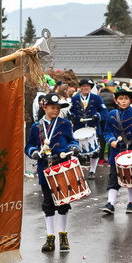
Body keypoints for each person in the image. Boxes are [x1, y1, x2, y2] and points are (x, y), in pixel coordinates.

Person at [26, 93, 79, 253]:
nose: (55, 110)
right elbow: (29, 146)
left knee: (63, 203)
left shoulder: (65, 124)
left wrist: (74, 147)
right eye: (52, 107)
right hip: (45, 169)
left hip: (62, 168)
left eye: (57, 108)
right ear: (45, 107)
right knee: (48, 203)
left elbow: (72, 140)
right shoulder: (36, 127)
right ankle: (50, 237)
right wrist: (34, 152)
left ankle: (63, 235)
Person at [101, 86, 132, 215]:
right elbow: (107, 131)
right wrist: (111, 141)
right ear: (116, 101)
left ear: (130, 100)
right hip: (117, 151)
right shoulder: (111, 114)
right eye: (121, 98)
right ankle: (110, 203)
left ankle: (131, 203)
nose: (123, 101)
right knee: (113, 177)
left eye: (126, 99)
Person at [70, 78, 105, 175]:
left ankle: (92, 171)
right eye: (84, 86)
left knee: (95, 151)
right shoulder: (75, 98)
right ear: (80, 87)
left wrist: (98, 116)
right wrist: (71, 115)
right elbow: (71, 111)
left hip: (93, 127)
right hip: (78, 128)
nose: (86, 88)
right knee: (76, 150)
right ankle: (77, 172)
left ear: (90, 88)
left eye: (88, 86)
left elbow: (104, 111)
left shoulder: (96, 98)